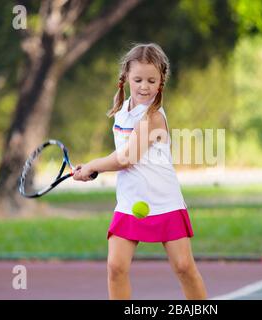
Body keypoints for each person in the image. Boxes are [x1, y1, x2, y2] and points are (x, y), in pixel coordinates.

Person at [73, 43, 207, 300]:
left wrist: (92, 165)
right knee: (115, 267)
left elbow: (127, 158)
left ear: (161, 83)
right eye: (138, 79)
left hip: (165, 200)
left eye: (151, 80)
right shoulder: (121, 111)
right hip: (130, 201)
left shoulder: (154, 117)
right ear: (125, 78)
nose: (144, 86)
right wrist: (92, 169)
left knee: (184, 267)